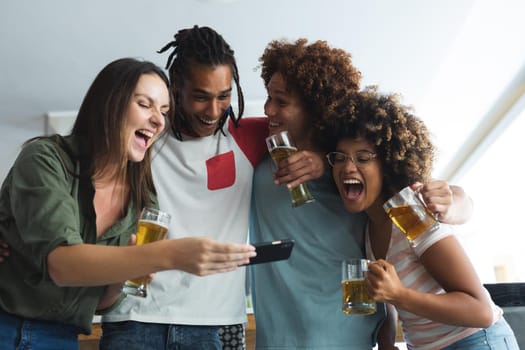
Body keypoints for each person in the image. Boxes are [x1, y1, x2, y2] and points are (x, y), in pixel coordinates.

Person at [0, 57, 256, 349]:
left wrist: (126, 273)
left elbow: (101, 303)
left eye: (164, 110)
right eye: (145, 104)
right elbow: (61, 264)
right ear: (109, 104)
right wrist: (168, 254)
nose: (159, 120)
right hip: (7, 325)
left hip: (62, 337)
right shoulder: (46, 158)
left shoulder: (141, 197)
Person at [99, 26, 323, 350]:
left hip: (218, 324)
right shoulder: (143, 133)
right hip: (135, 318)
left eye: (224, 96)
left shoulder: (247, 136)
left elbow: (333, 134)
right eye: (201, 96)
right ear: (176, 86)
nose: (214, 111)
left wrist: (321, 161)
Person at [250, 39, 474, 349]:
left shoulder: (359, 170)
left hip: (354, 339)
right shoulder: (259, 156)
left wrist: (455, 204)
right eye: (268, 97)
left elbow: (440, 195)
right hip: (277, 341)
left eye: (281, 101)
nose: (268, 109)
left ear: (315, 110)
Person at [326, 86, 519, 349]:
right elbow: (390, 298)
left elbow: (481, 311)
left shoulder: (410, 213)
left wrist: (400, 295)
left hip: (475, 341)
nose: (348, 167)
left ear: (387, 164)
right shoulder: (369, 226)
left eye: (362, 157)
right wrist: (385, 341)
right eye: (340, 158)